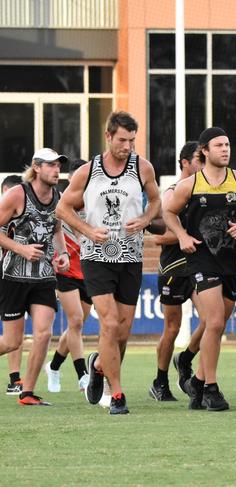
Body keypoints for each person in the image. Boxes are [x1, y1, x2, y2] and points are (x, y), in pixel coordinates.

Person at [56, 111, 161, 415]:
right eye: (122, 140)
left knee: (123, 332)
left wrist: (143, 219)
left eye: (131, 140)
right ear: (108, 136)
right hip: (96, 257)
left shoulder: (142, 167)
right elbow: (63, 208)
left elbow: (156, 202)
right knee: (110, 324)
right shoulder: (88, 172)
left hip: (131, 257)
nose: (127, 146)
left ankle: (99, 365)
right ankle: (117, 394)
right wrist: (88, 231)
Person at [163, 127, 236, 412]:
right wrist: (181, 236)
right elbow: (169, 212)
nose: (225, 149)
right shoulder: (189, 185)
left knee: (217, 324)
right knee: (215, 321)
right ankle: (211, 388)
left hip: (230, 260)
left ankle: (198, 381)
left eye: (228, 144)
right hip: (201, 260)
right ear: (204, 151)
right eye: (219, 145)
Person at [0, 148, 70, 405]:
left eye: (58, 166)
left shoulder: (58, 197)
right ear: (37, 167)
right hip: (13, 276)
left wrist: (63, 254)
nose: (56, 170)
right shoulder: (17, 194)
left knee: (43, 333)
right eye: (51, 165)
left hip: (44, 277)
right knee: (11, 342)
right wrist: (21, 248)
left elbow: (57, 229)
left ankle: (27, 393)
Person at [148, 141, 205, 402]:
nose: (202, 163)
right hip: (174, 268)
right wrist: (186, 235)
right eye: (198, 158)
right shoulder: (171, 193)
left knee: (212, 320)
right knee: (172, 327)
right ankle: (160, 381)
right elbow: (160, 238)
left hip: (200, 267)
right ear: (184, 162)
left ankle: (186, 358)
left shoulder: (203, 192)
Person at [44, 159, 92, 393]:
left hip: (90, 270)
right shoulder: (59, 203)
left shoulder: (94, 202)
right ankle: (83, 375)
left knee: (77, 325)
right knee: (75, 321)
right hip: (64, 269)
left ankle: (53, 367)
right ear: (71, 178)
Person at [1, 174, 24, 395]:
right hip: (6, 276)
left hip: (12, 278)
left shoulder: (20, 218)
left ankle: (15, 379)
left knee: (13, 336)